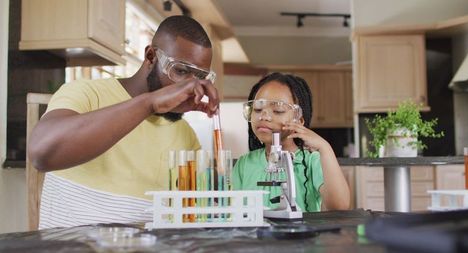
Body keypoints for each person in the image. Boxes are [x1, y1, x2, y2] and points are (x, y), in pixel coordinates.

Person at [28, 16, 219, 228]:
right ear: (150, 56)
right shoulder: (87, 94)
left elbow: (192, 217)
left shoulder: (185, 136)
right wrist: (150, 104)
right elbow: (41, 154)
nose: (189, 87)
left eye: (200, 78)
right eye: (180, 71)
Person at [232, 72, 350, 212]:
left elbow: (339, 206)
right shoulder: (244, 164)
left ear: (299, 120)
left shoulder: (312, 161)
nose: (264, 116)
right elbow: (233, 209)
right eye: (258, 109)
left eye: (278, 110)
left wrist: (325, 147)